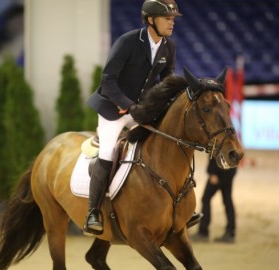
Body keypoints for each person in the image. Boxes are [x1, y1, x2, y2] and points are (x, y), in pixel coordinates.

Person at [83, 0, 201, 235]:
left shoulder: (169, 47)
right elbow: (107, 81)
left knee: (169, 145)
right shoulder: (128, 42)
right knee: (107, 152)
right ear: (150, 20)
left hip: (141, 109)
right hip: (113, 109)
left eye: (173, 19)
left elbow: (166, 83)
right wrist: (129, 106)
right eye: (167, 18)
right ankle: (93, 212)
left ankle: (179, 206)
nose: (172, 22)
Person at [191, 157, 238, 243]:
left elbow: (216, 150)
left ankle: (203, 232)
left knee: (206, 199)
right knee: (227, 200)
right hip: (229, 170)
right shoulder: (237, 142)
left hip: (220, 172)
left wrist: (212, 172)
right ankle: (230, 232)